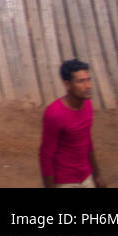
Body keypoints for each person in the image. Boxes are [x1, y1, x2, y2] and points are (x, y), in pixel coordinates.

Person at [40, 59, 104, 188]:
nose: (88, 86)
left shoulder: (88, 105)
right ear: (67, 85)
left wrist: (97, 175)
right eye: (81, 81)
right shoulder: (54, 113)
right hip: (65, 182)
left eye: (88, 79)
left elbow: (87, 141)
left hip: (86, 177)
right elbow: (46, 154)